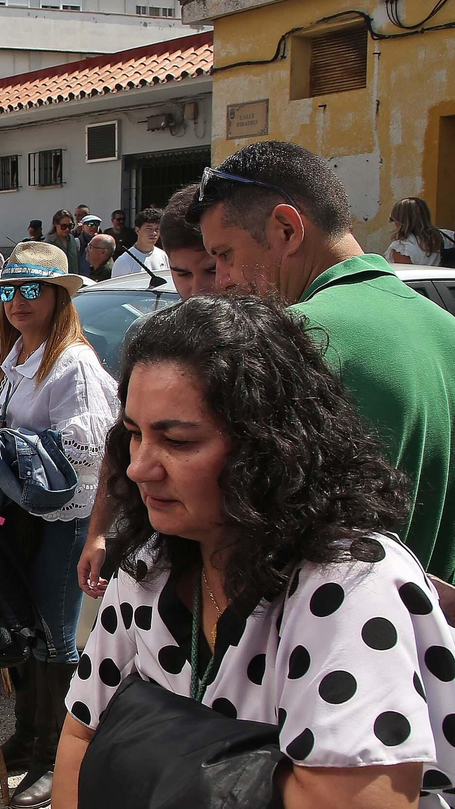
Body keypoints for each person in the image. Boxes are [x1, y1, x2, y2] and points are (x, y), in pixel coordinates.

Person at [54, 295, 455, 809]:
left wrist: (140, 770)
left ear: (270, 448)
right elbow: (81, 733)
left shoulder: (348, 583)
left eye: (178, 441)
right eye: (134, 435)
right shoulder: (148, 565)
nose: (142, 466)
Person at [193, 140, 455, 584]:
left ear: (287, 230)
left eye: (224, 255)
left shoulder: (287, 336)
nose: (221, 281)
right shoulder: (444, 325)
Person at [0, 242, 117, 806]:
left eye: (29, 290)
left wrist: (2, 452)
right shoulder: (12, 359)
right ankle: (24, 737)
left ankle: (53, 760)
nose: (15, 302)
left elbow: (90, 452)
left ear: (59, 295)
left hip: (62, 522)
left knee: (54, 634)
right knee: (18, 623)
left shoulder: (74, 364)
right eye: (7, 291)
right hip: (12, 517)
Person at [75, 184, 214, 602]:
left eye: (211, 269)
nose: (198, 289)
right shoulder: (151, 334)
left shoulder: (270, 340)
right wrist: (98, 531)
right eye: (183, 274)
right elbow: (124, 441)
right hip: (159, 550)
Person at [386, 196, 455, 264]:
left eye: (392, 219)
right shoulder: (448, 236)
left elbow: (406, 273)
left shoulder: (402, 247)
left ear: (400, 221)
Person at [113, 206, 170, 279]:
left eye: (157, 229)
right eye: (148, 228)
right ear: (137, 230)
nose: (154, 233)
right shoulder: (124, 261)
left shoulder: (163, 256)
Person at [49, 210, 82, 275]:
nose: (67, 229)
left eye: (70, 226)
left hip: (74, 279)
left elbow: (77, 263)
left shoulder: (72, 239)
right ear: (55, 224)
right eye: (64, 226)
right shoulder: (48, 243)